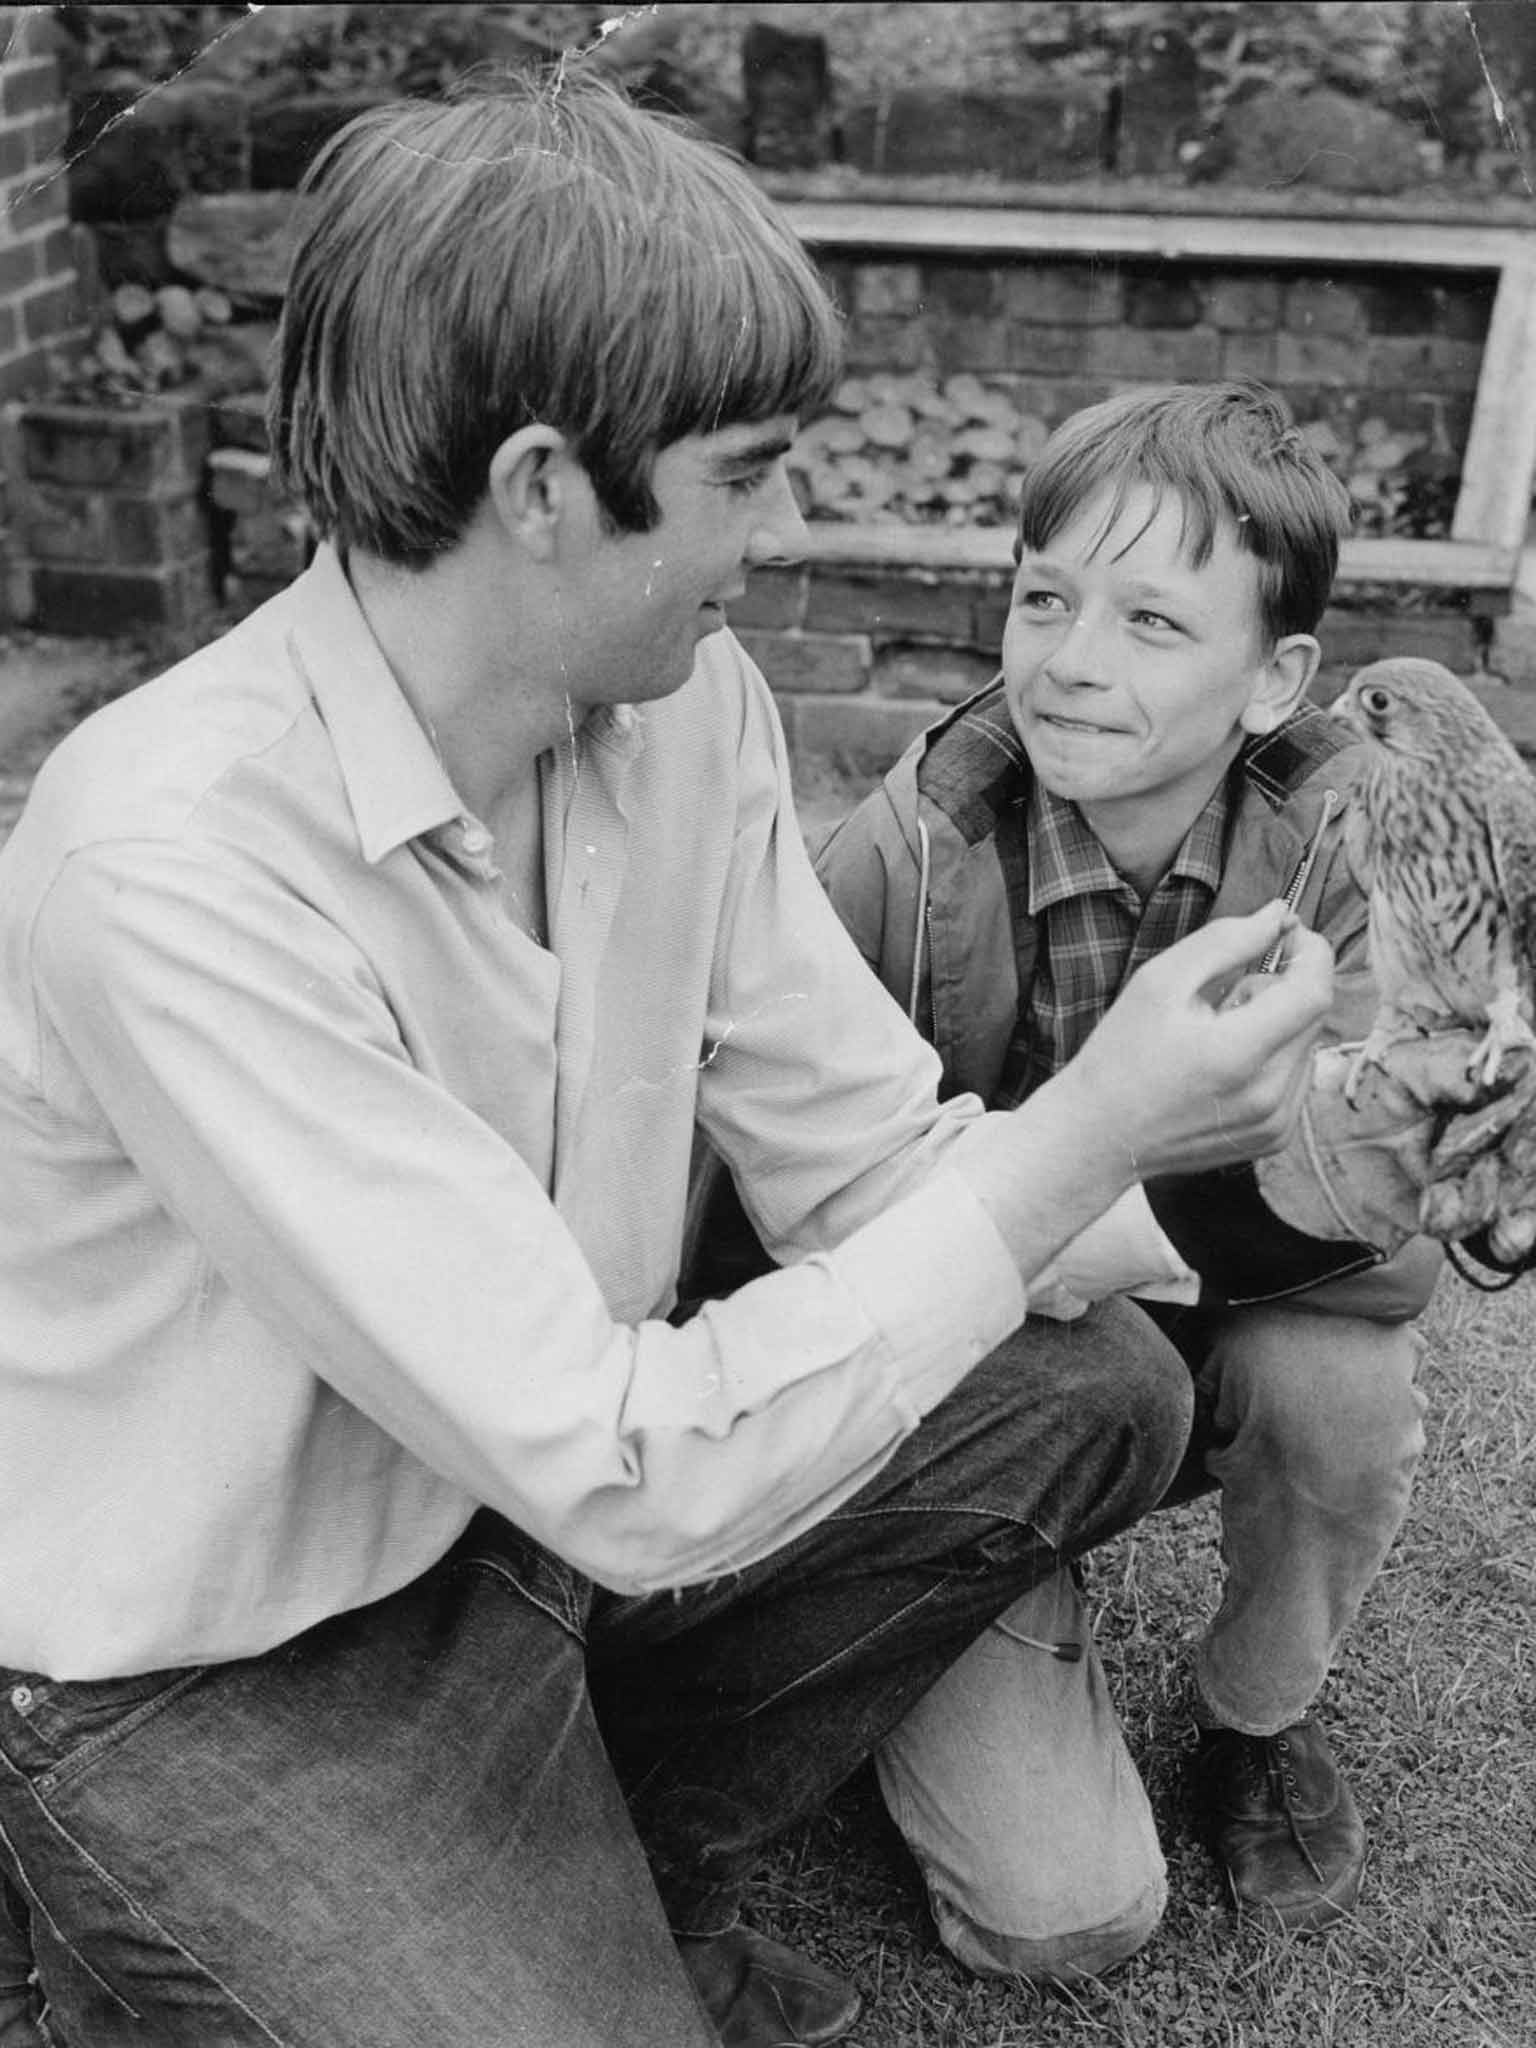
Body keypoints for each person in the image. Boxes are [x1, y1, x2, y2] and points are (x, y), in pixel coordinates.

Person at [0, 83, 1341, 2048]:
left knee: (1081, 1384)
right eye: (748, 472)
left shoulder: (681, 703)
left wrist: (1307, 1178)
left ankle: (614, 1849)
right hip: (220, 1660)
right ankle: (131, 1922)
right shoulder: (174, 868)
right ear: (545, 488)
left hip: (524, 1509)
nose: (785, 531)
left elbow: (866, 1159)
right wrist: (1084, 1123)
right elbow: (627, 1463)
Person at [727, 380, 1445, 1977]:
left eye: (1150, 622)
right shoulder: (910, 846)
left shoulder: (1356, 848)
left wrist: (1095, 1234)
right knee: (1060, 1915)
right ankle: (927, 1617)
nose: (1071, 658)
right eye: (1044, 599)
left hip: (1197, 1301)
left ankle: (1252, 1721)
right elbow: (788, 1207)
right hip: (996, 1369)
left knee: (1339, 1391)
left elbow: (1393, 1218)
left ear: (1278, 681)